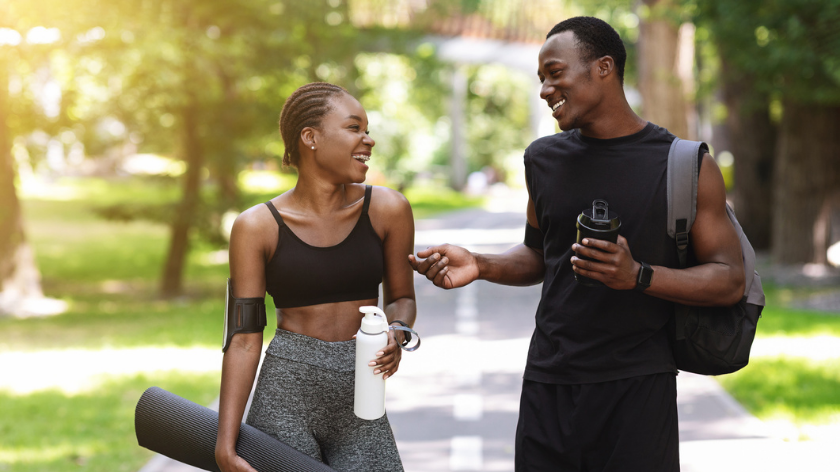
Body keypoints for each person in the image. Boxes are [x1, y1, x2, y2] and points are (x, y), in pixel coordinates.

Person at [409, 17, 745, 472]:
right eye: (541, 79)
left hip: (638, 385)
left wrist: (638, 276)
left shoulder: (685, 164)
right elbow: (537, 255)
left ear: (603, 67)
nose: (546, 89)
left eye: (555, 73)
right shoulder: (543, 159)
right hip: (549, 381)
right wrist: (481, 264)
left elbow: (729, 280)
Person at [216, 82, 415, 472]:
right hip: (285, 398)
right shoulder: (257, 227)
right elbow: (242, 340)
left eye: (367, 129)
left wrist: (399, 330)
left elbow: (401, 298)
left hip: (363, 396)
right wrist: (226, 445)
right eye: (354, 128)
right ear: (310, 137)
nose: (368, 140)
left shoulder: (387, 209)